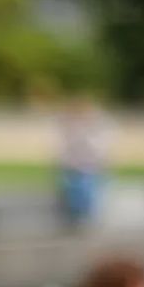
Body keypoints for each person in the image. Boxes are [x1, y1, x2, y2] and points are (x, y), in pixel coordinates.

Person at [54, 96, 112, 230]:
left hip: (89, 169)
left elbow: (98, 151)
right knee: (74, 188)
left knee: (85, 187)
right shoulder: (68, 128)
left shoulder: (97, 129)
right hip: (73, 169)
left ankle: (83, 218)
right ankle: (77, 217)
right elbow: (64, 152)